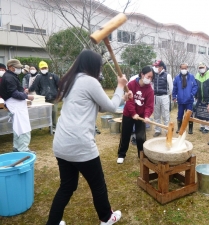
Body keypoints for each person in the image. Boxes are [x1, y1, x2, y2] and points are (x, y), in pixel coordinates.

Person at [46, 50, 130, 225]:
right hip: (80, 144)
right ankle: (106, 218)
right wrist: (120, 85)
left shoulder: (71, 80)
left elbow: (98, 106)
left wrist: (122, 98)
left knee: (67, 186)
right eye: (99, 66)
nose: (100, 70)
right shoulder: (89, 81)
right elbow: (111, 106)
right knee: (98, 184)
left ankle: (53, 222)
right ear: (93, 66)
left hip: (61, 143)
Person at [117, 66, 154, 164]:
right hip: (129, 114)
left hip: (141, 116)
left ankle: (141, 155)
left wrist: (146, 116)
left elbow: (149, 105)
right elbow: (129, 101)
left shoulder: (150, 90)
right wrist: (133, 113)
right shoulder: (131, 84)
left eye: (151, 78)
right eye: (148, 76)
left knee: (141, 137)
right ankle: (121, 154)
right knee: (125, 134)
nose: (149, 79)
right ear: (142, 74)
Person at [0, 59, 35, 154]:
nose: (20, 69)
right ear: (11, 67)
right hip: (16, 105)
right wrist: (27, 96)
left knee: (17, 127)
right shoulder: (9, 77)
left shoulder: (10, 76)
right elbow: (14, 94)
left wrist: (22, 90)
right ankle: (23, 149)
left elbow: (14, 90)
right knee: (23, 127)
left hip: (14, 104)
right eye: (18, 68)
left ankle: (17, 147)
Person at [29, 61, 59, 131]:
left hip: (54, 98)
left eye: (45, 67)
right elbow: (34, 86)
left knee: (54, 112)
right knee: (46, 113)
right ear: (40, 68)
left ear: (47, 68)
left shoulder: (53, 76)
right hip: (43, 99)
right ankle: (44, 126)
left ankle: (54, 127)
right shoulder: (38, 77)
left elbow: (59, 85)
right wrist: (29, 90)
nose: (44, 69)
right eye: (42, 68)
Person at [172, 63, 198, 134]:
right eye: (182, 68)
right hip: (180, 100)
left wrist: (192, 94)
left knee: (189, 114)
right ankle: (179, 128)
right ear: (180, 69)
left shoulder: (191, 77)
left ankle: (190, 129)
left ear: (187, 68)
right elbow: (175, 88)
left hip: (189, 100)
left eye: (185, 68)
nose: (184, 70)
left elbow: (195, 86)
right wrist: (174, 96)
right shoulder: (177, 78)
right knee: (179, 114)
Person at [152, 60, 173, 137]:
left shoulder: (167, 75)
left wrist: (168, 94)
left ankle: (167, 130)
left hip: (164, 96)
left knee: (165, 114)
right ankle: (157, 130)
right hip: (156, 96)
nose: (155, 68)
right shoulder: (154, 75)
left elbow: (171, 87)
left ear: (161, 67)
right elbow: (152, 85)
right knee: (156, 114)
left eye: (156, 66)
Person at [194, 62, 209, 133]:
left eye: (202, 67)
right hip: (200, 97)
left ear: (205, 67)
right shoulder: (197, 75)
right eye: (200, 68)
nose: (201, 69)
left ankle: (207, 127)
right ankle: (202, 126)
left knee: (208, 112)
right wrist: (196, 95)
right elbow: (195, 86)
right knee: (201, 111)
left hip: (208, 97)